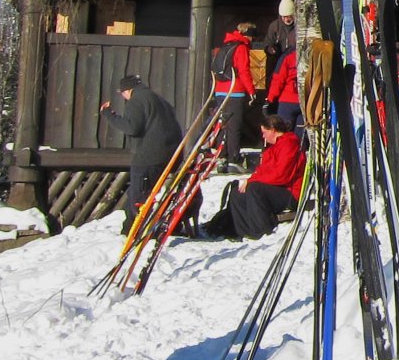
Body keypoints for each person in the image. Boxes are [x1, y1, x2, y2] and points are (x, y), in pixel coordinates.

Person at [100, 74, 185, 234]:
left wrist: (109, 114)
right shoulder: (159, 100)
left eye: (122, 93)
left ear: (127, 90)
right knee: (139, 195)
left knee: (139, 198)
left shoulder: (137, 101)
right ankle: (130, 229)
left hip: (149, 157)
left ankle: (139, 232)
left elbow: (132, 128)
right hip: (169, 155)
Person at [203, 116, 306, 240]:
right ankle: (242, 231)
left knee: (254, 189)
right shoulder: (272, 148)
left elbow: (282, 175)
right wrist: (249, 180)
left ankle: (260, 231)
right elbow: (263, 171)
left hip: (290, 192)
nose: (263, 137)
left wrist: (252, 181)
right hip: (276, 188)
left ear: (273, 130)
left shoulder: (289, 144)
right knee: (237, 192)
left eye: (264, 132)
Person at [212, 21, 257, 171]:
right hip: (234, 90)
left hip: (220, 90)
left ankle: (221, 157)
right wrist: (251, 91)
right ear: (248, 35)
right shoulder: (241, 47)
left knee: (222, 124)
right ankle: (234, 159)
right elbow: (243, 71)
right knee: (234, 125)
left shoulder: (225, 46)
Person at [264, 0, 297, 78]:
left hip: (294, 64)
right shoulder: (275, 26)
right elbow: (268, 42)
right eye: (284, 17)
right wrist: (270, 49)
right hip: (278, 63)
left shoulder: (299, 27)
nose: (286, 19)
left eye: (289, 16)